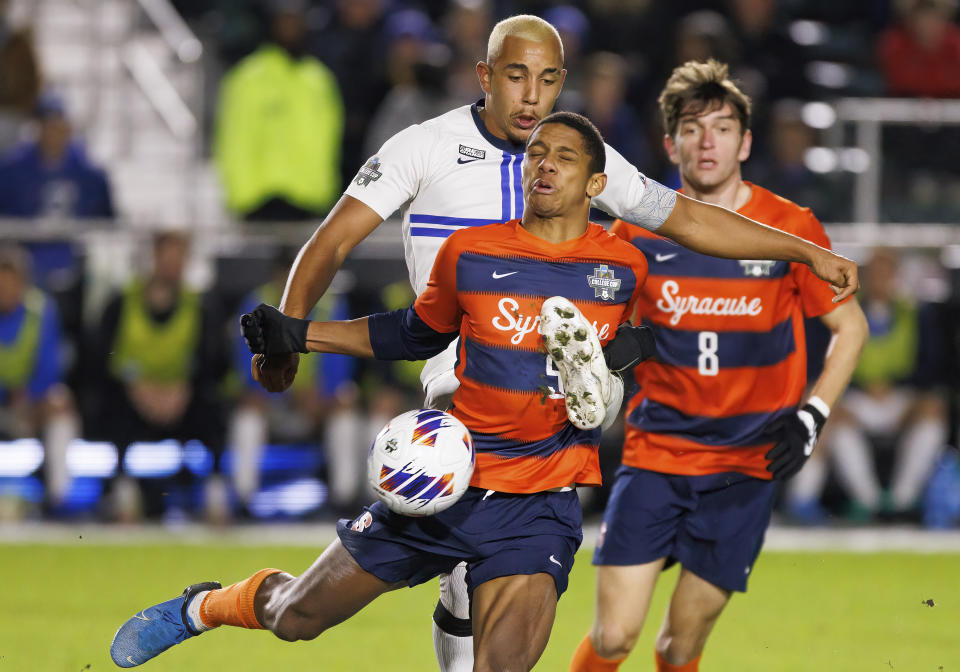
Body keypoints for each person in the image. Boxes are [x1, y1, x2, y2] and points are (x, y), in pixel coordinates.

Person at [241, 16, 860, 672]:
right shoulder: (423, 147)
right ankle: (235, 604)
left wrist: (802, 253)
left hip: (550, 422)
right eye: (515, 76)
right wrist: (291, 335)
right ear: (485, 76)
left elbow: (688, 219)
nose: (531, 96)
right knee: (325, 613)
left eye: (547, 79)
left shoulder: (582, 160)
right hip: (453, 394)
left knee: (506, 610)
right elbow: (333, 241)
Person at [110, 111, 655, 671]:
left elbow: (656, 333)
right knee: (297, 616)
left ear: (595, 183)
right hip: (446, 479)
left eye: (564, 158)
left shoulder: (626, 265)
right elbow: (412, 334)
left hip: (538, 506)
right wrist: (300, 334)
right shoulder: (470, 253)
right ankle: (204, 606)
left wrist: (621, 358)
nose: (545, 165)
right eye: (537, 153)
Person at [568, 60, 869, 672]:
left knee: (679, 644)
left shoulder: (791, 229)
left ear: (747, 143)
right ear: (669, 142)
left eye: (723, 128)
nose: (708, 142)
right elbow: (600, 337)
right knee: (613, 637)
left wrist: (812, 415)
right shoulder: (635, 234)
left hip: (746, 464)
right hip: (657, 454)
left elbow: (851, 328)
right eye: (693, 127)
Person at [89, 231, 224, 520]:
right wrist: (136, 385)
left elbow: (210, 360)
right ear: (153, 258)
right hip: (131, 396)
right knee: (110, 408)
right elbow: (101, 357)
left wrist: (183, 387)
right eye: (168, 257)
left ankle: (215, 489)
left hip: (180, 398)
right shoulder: (122, 302)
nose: (173, 266)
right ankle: (121, 488)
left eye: (180, 258)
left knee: (212, 407)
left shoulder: (198, 306)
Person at [824, 247, 947, 522]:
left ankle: (903, 499)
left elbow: (930, 363)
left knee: (933, 409)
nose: (881, 280)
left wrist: (900, 387)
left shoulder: (913, 314)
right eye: (875, 274)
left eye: (887, 274)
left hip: (901, 397)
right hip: (858, 398)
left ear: (896, 278)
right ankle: (867, 500)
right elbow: (832, 358)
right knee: (830, 414)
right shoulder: (845, 310)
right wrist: (860, 387)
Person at [213, 0, 344, 221]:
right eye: (284, 18)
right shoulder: (247, 77)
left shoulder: (319, 79)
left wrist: (323, 193)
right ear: (271, 23)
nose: (290, 26)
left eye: (295, 18)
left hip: (311, 202)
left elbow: (329, 141)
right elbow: (234, 141)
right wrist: (243, 197)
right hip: (258, 204)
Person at [0, 244, 78, 511]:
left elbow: (50, 365)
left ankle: (59, 498)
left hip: (32, 403)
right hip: (5, 403)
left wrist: (31, 397)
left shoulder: (41, 310)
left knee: (61, 404)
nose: (6, 291)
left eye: (12, 283)